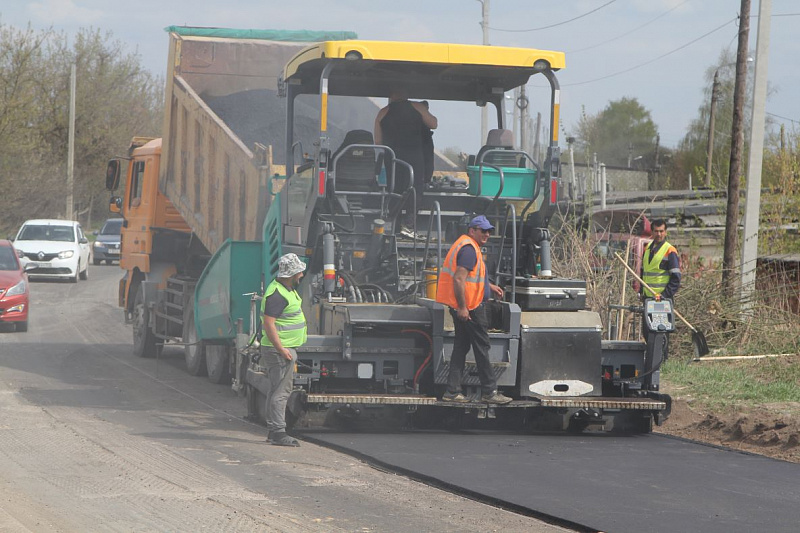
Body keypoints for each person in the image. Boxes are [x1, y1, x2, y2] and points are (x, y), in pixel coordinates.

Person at [435, 215, 513, 405]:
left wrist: (490, 287)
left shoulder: (468, 246)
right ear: (472, 230)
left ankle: (453, 391)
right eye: (483, 230)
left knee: (461, 347)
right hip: (470, 308)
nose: (487, 234)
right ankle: (490, 391)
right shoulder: (469, 249)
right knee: (482, 347)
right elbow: (459, 279)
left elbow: (472, 277)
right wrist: (463, 308)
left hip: (466, 306)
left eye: (489, 231)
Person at [374, 88, 437, 238]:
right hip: (414, 156)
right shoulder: (417, 107)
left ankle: (392, 225)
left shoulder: (382, 112)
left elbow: (378, 141)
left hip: (393, 157)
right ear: (406, 95)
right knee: (415, 189)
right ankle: (408, 226)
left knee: (394, 189)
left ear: (392, 96)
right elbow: (433, 124)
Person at [260, 253, 307, 447]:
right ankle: (279, 432)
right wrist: (281, 349)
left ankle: (274, 430)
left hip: (281, 349)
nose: (302, 275)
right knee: (281, 391)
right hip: (280, 350)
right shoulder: (278, 295)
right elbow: (269, 324)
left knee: (275, 390)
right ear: (291, 274)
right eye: (299, 272)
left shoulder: (285, 289)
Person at [639, 219, 681, 300]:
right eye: (656, 231)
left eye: (661, 231)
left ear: (665, 232)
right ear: (652, 232)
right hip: (647, 298)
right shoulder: (647, 248)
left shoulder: (670, 250)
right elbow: (643, 273)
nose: (659, 234)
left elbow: (676, 278)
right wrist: (641, 291)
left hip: (662, 300)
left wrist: (664, 295)